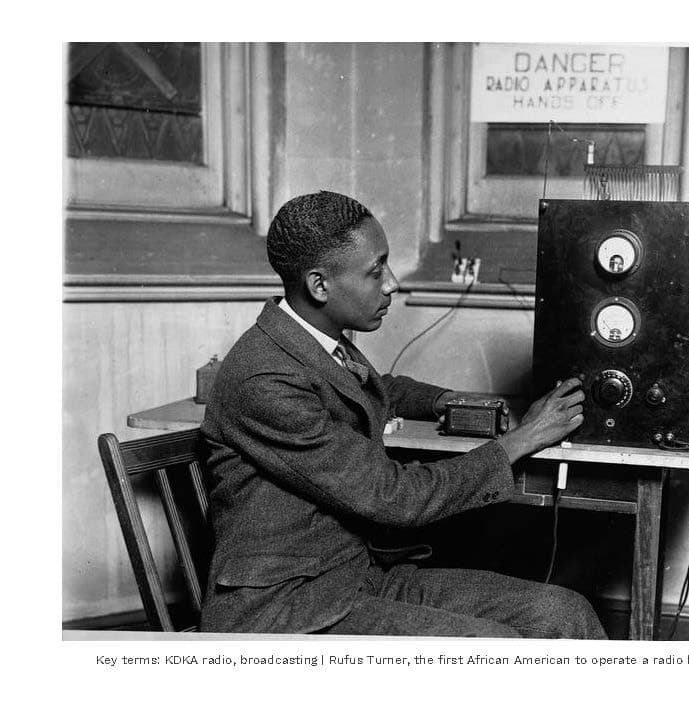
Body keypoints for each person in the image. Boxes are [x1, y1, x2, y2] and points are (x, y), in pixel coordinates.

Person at [199, 190, 606, 638]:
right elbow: (394, 498)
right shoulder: (265, 379)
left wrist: (456, 402)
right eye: (376, 272)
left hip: (359, 577)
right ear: (319, 286)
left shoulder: (310, 341)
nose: (392, 283)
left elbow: (378, 390)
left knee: (564, 612)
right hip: (287, 607)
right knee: (500, 648)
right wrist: (522, 439)